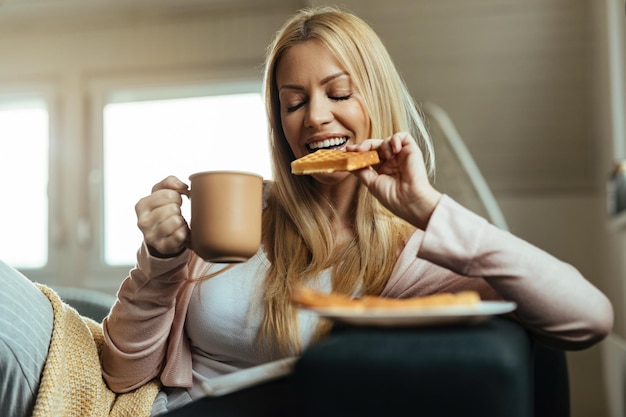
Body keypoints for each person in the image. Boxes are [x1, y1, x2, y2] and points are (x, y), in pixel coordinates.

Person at [0, 5, 614, 417]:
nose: (315, 116)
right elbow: (119, 371)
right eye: (293, 103)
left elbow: (589, 318)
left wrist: (428, 208)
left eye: (338, 93)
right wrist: (161, 264)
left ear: (374, 98)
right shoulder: (237, 218)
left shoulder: (416, 256)